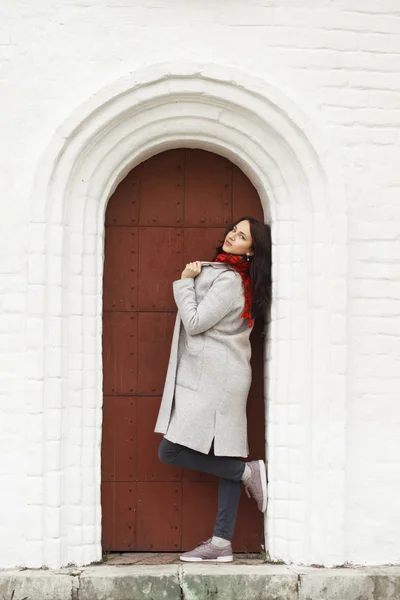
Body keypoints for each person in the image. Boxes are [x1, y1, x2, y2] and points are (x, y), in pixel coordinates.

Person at [154, 216, 272, 563]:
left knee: (170, 451)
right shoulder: (227, 274)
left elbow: (195, 323)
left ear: (252, 250)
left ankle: (248, 473)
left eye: (242, 236)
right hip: (218, 374)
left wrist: (184, 282)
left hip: (216, 378)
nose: (232, 236)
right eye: (233, 231)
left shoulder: (231, 282)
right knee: (223, 455)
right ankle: (221, 544)